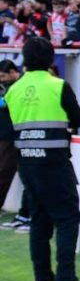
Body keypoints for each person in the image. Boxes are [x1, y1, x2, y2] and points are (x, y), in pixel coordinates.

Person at [5, 37, 80, 281]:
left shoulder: (13, 90)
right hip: (54, 162)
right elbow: (77, 118)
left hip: (26, 163)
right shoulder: (58, 85)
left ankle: (43, 279)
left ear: (24, 60)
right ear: (49, 58)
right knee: (67, 219)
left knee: (39, 220)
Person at [0, 59, 32, 234]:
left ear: (13, 71)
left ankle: (27, 215)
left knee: (6, 172)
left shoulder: (21, 85)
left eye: (3, 76)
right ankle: (24, 214)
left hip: (14, 135)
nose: (2, 79)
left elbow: (8, 103)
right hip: (7, 135)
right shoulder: (10, 86)